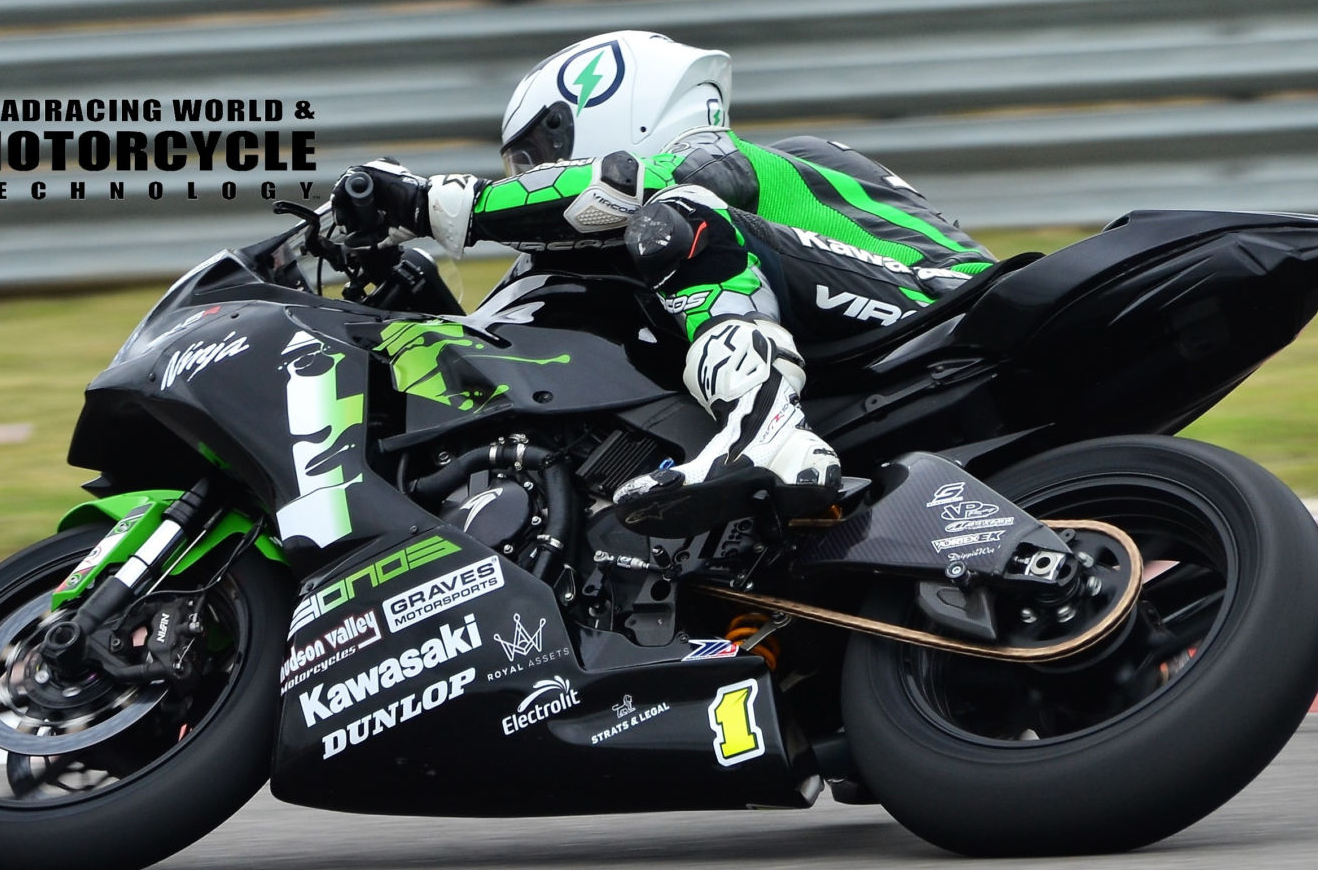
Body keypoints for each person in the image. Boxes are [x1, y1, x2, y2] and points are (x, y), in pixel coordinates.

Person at [330, 29, 996, 514]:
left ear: (612, 107)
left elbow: (623, 188)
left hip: (947, 305)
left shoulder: (715, 157)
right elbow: (506, 350)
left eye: (539, 155)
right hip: (879, 346)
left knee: (679, 218)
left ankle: (763, 434)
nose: (533, 178)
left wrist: (430, 203)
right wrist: (406, 293)